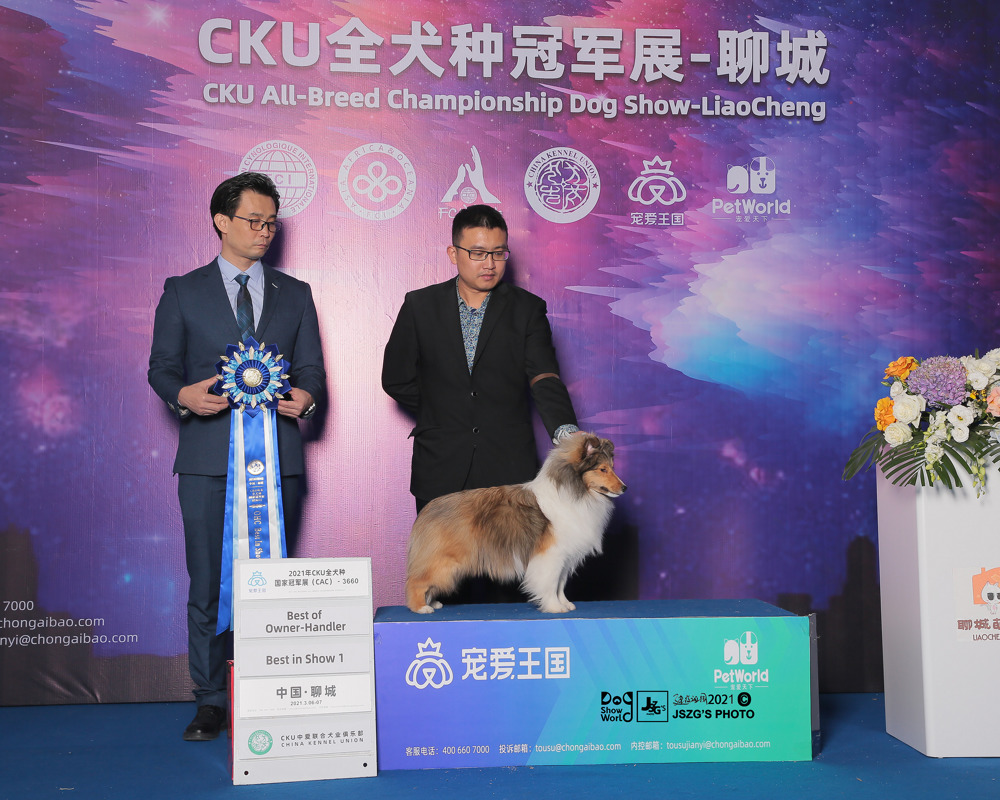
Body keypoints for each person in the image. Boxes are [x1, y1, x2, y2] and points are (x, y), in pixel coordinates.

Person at [148, 172, 326, 741]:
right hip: (205, 461)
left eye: (271, 222)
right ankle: (210, 699)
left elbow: (312, 370)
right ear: (221, 222)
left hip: (279, 461)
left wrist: (307, 397)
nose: (265, 230)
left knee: (270, 582)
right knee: (208, 582)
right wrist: (183, 396)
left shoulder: (297, 293)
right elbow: (161, 367)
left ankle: (267, 688)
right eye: (254, 220)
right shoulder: (183, 290)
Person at [382, 203, 579, 530]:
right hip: (440, 466)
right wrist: (445, 408)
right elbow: (396, 379)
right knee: (442, 564)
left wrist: (566, 433)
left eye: (499, 253)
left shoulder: (528, 309)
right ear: (453, 253)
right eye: (478, 253)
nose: (489, 264)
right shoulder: (420, 305)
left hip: (509, 470)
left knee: (508, 564)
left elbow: (544, 377)